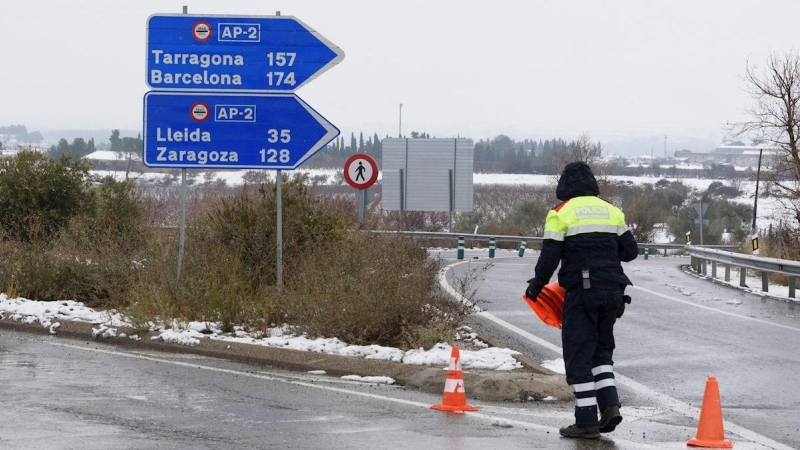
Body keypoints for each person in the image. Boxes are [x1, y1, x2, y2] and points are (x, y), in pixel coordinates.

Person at [525, 161, 638, 439]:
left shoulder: (560, 213)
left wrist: (536, 286)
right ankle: (610, 405)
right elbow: (631, 251)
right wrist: (605, 255)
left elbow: (549, 258)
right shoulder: (612, 211)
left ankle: (586, 422)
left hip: (583, 294)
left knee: (578, 356)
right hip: (614, 292)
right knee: (601, 352)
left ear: (564, 187)